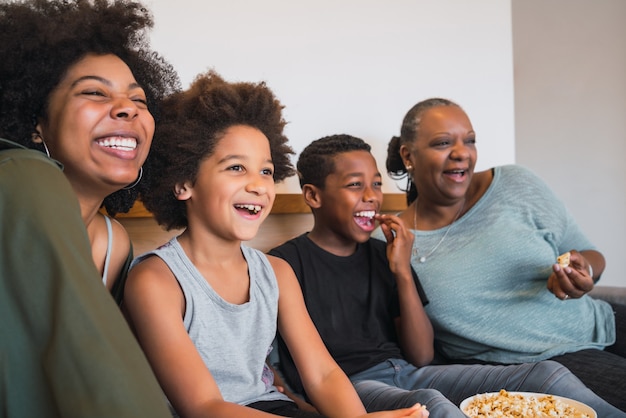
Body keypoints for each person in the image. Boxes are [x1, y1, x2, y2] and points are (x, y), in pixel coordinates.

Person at [123, 71, 428, 418]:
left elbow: (324, 374)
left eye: (266, 171)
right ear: (183, 183)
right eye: (237, 167)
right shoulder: (156, 280)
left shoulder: (276, 272)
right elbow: (203, 407)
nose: (258, 185)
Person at [268, 134, 626, 418]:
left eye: (376, 185)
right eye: (354, 186)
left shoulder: (385, 252)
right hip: (348, 387)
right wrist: (303, 405)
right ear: (313, 196)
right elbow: (272, 359)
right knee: (430, 405)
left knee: (547, 377)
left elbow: (422, 355)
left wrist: (402, 272)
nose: (371, 198)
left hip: (406, 370)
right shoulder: (285, 263)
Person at [377, 97, 626, 411]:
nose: (461, 153)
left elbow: (592, 255)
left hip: (604, 323)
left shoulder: (515, 183)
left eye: (469, 140)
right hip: (540, 367)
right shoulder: (391, 242)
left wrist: (583, 271)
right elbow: (410, 349)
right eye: (443, 143)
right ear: (408, 155)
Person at [0, 0, 180, 415]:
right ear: (35, 121)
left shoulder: (116, 243)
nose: (128, 108)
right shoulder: (18, 173)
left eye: (140, 100)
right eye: (95, 92)